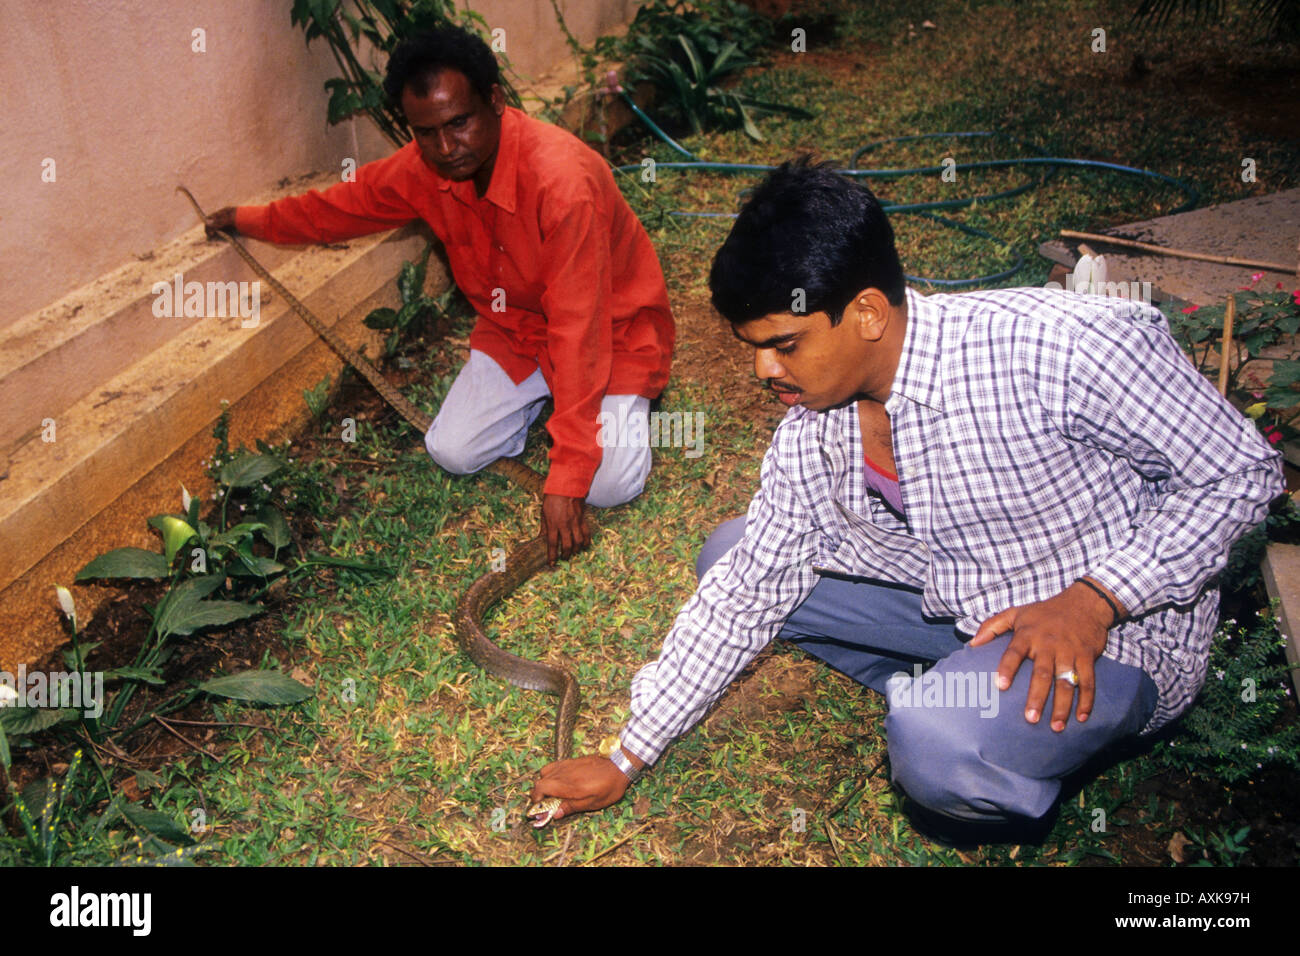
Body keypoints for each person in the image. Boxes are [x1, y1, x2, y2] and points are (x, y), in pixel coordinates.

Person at [528, 158, 1284, 837]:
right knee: (731, 556)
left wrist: (1096, 599)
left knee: (934, 744)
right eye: (752, 347)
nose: (763, 370)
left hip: (1118, 634)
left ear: (865, 313)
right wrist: (627, 754)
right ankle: (953, 689)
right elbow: (749, 589)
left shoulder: (1065, 350)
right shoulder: (815, 422)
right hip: (968, 604)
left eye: (784, 344)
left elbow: (1242, 473)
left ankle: (979, 728)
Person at [204, 26, 675, 563]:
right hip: (518, 334)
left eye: (460, 122)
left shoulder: (562, 184)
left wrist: (566, 476)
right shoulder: (424, 167)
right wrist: (245, 220)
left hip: (610, 335)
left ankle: (617, 406)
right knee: (452, 449)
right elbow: (336, 209)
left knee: (606, 487)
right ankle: (551, 404)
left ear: (494, 100)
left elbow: (579, 329)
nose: (446, 148)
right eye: (426, 132)